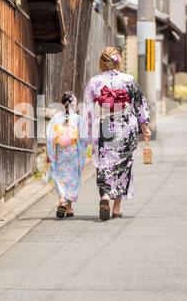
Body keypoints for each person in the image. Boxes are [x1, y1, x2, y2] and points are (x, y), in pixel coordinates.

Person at [84, 46, 151, 221]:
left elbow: (89, 109)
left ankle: (105, 196)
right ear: (118, 61)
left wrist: (88, 130)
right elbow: (139, 103)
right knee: (123, 164)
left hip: (104, 125)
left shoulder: (94, 82)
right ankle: (116, 207)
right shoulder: (129, 80)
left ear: (102, 62)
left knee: (104, 163)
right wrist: (145, 126)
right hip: (125, 126)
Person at [47, 91, 87, 219]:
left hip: (60, 153)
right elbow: (84, 139)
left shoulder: (56, 118)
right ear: (74, 104)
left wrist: (51, 154)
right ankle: (69, 208)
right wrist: (82, 154)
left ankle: (62, 200)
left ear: (62, 103)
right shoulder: (78, 119)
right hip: (73, 152)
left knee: (60, 177)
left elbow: (50, 138)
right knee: (72, 179)